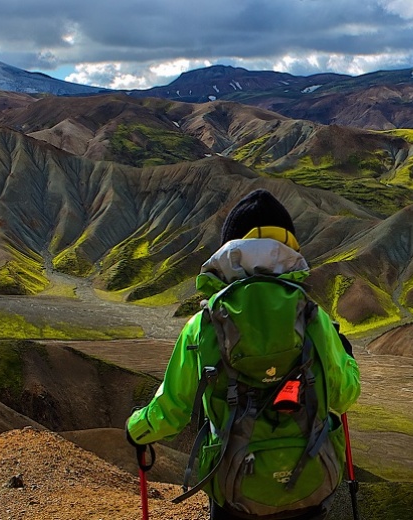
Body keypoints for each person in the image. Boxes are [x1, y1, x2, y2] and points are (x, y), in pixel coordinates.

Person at [127, 189, 361, 520]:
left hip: (235, 494)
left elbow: (173, 410)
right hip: (307, 488)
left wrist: (137, 429)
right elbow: (345, 395)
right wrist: (347, 358)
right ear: (288, 249)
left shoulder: (205, 324)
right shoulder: (313, 317)